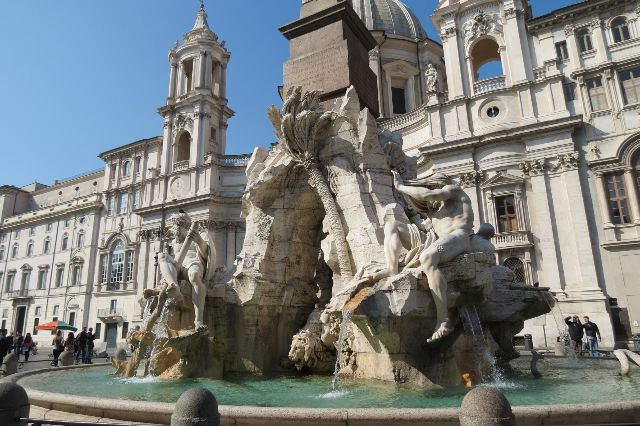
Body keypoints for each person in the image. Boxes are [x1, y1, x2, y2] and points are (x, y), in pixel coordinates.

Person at [390, 171, 475, 343]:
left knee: (428, 257)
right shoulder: (435, 214)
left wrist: (400, 187)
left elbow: (427, 195)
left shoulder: (454, 190)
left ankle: (443, 321)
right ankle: (391, 269)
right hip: (443, 242)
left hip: (461, 237)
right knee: (394, 227)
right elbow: (422, 225)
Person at [157, 211, 215, 331]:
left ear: (185, 225)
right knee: (161, 256)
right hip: (179, 265)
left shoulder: (200, 233)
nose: (175, 229)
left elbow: (208, 253)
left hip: (194, 262)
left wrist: (199, 240)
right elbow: (176, 258)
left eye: (178, 225)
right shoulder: (174, 241)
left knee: (194, 276)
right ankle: (174, 286)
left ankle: (198, 321)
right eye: (174, 225)